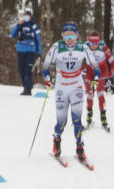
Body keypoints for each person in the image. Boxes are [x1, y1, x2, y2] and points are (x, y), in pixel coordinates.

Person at [42, 22, 100, 162]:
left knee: (77, 120)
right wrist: (47, 77)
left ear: (77, 35)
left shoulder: (83, 47)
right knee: (61, 122)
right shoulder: (57, 47)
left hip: (77, 86)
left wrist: (95, 79)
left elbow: (95, 66)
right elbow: (45, 65)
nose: (69, 38)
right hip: (62, 87)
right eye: (66, 35)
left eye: (72, 35)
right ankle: (57, 141)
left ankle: (80, 148)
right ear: (62, 35)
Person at [82, 31, 114, 129]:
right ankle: (89, 117)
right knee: (89, 94)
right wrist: (79, 70)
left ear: (99, 42)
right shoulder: (85, 46)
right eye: (92, 43)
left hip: (101, 71)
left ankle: (103, 116)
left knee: (100, 94)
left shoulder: (103, 47)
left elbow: (113, 62)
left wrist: (109, 75)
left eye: (96, 43)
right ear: (89, 42)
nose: (94, 46)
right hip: (89, 71)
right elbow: (78, 60)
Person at [10, 8, 42, 95]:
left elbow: (38, 40)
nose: (25, 16)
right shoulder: (21, 25)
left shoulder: (34, 26)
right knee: (21, 69)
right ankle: (26, 87)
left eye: (27, 15)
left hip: (30, 50)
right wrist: (18, 25)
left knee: (28, 70)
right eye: (24, 15)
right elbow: (12, 35)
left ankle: (28, 90)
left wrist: (39, 52)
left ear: (31, 16)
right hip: (20, 50)